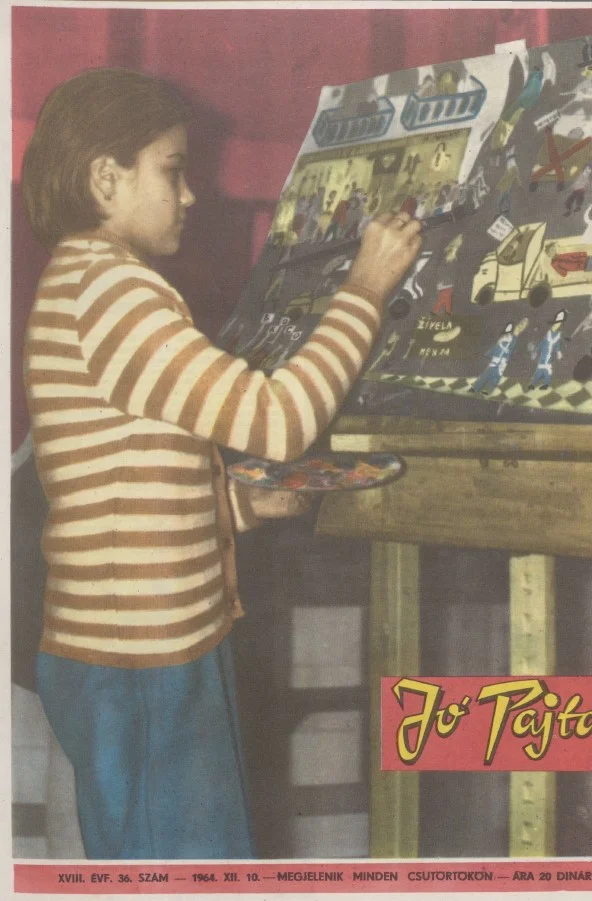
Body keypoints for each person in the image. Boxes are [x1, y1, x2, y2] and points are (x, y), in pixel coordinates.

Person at [21, 68, 422, 860]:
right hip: (143, 658)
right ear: (106, 179)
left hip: (139, 646)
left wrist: (235, 506)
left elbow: (120, 475)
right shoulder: (113, 291)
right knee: (180, 866)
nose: (191, 194)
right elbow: (279, 420)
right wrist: (365, 288)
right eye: (172, 170)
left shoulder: (82, 280)